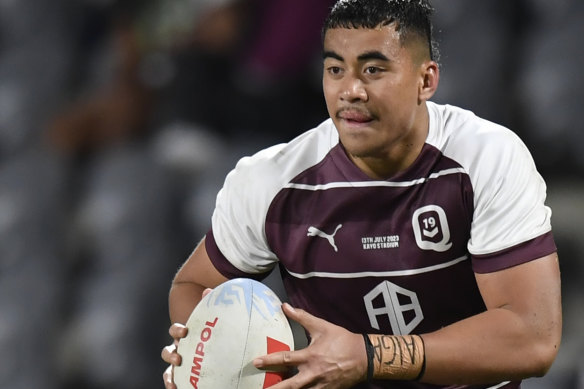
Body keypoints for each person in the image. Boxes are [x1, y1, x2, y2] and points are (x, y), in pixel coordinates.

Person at [161, 0, 562, 388]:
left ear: (427, 80)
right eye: (335, 69)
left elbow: (533, 338)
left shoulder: (486, 159)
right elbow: (192, 286)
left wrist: (369, 356)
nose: (350, 90)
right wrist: (205, 354)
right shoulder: (270, 181)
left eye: (373, 69)